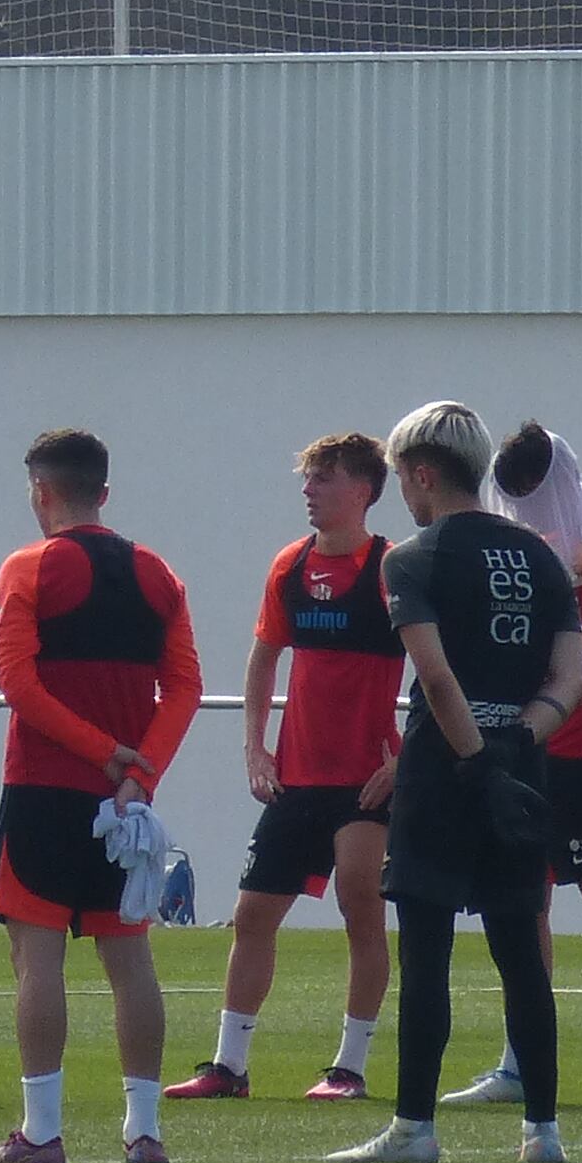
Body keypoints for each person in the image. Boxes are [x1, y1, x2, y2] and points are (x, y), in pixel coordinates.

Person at [331, 401, 582, 1163]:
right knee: (519, 950)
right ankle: (542, 1131)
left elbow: (437, 680)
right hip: (522, 765)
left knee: (429, 952)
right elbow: (569, 681)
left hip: (445, 771)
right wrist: (512, 748)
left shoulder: (412, 557)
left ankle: (415, 1128)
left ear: (421, 473)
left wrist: (475, 762)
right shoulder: (542, 557)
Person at [0, 429, 200, 1163]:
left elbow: (18, 684)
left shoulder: (28, 567)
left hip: (42, 789)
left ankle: (41, 1130)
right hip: (124, 805)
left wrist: (101, 752)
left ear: (41, 492)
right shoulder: (157, 573)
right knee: (130, 958)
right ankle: (144, 1131)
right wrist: (140, 773)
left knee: (36, 960)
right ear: (104, 491)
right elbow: (186, 686)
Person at [178, 430, 399, 1106]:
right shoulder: (290, 565)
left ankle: (349, 1068)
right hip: (296, 776)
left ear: (361, 490)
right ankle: (229, 1065)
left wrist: (407, 760)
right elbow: (263, 655)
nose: (308, 491)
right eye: (307, 479)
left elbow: (439, 666)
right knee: (251, 916)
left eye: (322, 479)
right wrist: (255, 744)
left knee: (359, 903)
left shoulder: (393, 567)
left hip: (366, 776)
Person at [447, 424, 582, 1114]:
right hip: (524, 744)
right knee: (518, 907)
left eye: (536, 490)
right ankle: (519, 1057)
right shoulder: (510, 540)